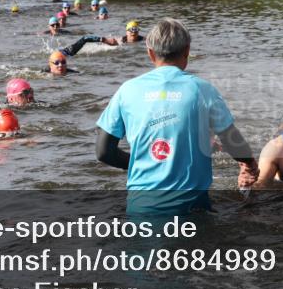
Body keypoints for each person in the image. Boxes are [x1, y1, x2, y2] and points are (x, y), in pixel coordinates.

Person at [95, 18, 259, 215]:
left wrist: (142, 162)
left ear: (150, 53)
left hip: (141, 209)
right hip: (191, 210)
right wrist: (249, 163)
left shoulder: (127, 90)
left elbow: (103, 151)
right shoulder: (203, 90)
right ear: (187, 51)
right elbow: (233, 141)